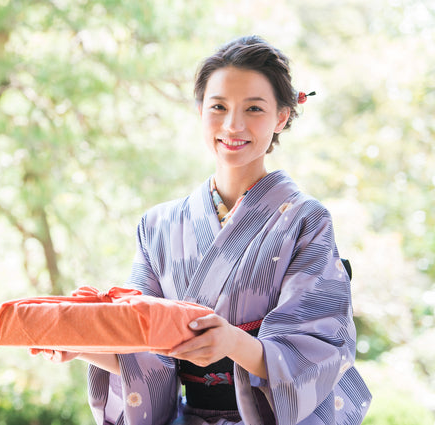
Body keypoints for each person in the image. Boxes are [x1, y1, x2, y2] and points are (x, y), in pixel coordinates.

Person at [31, 35, 372, 424]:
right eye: (219, 107)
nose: (233, 125)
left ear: (281, 116)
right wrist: (80, 346)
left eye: (254, 108)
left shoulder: (306, 220)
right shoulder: (158, 226)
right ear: (199, 110)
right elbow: (144, 353)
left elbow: (316, 350)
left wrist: (233, 342)